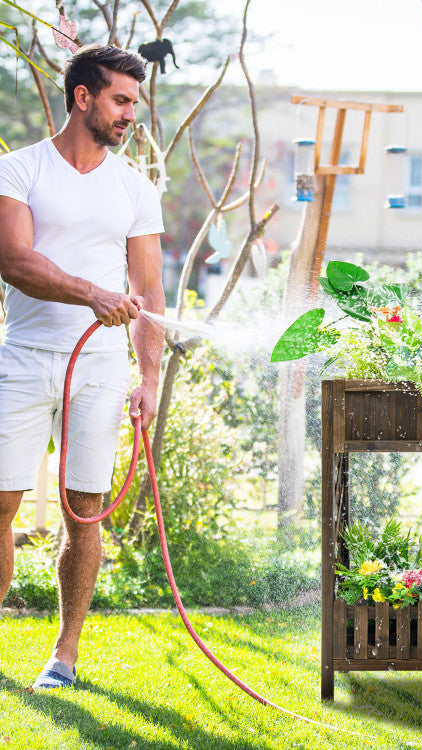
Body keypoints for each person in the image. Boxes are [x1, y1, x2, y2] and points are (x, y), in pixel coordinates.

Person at [0, 44, 165, 689]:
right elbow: (13, 260)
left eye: (134, 102)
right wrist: (92, 293)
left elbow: (149, 294)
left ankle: (64, 657)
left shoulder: (135, 188)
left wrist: (148, 378)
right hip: (23, 358)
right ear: (83, 97)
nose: (129, 114)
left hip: (99, 365)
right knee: (2, 503)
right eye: (120, 100)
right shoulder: (20, 171)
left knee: (83, 509)